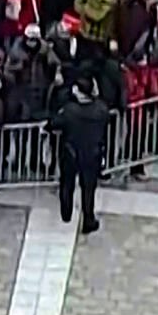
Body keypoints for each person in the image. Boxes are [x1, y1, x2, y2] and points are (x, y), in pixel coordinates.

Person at [48, 79, 109, 234]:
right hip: (92, 153)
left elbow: (53, 124)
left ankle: (66, 212)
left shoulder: (70, 111)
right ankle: (88, 218)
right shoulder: (101, 109)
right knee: (88, 188)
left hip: (71, 152)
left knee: (67, 183)